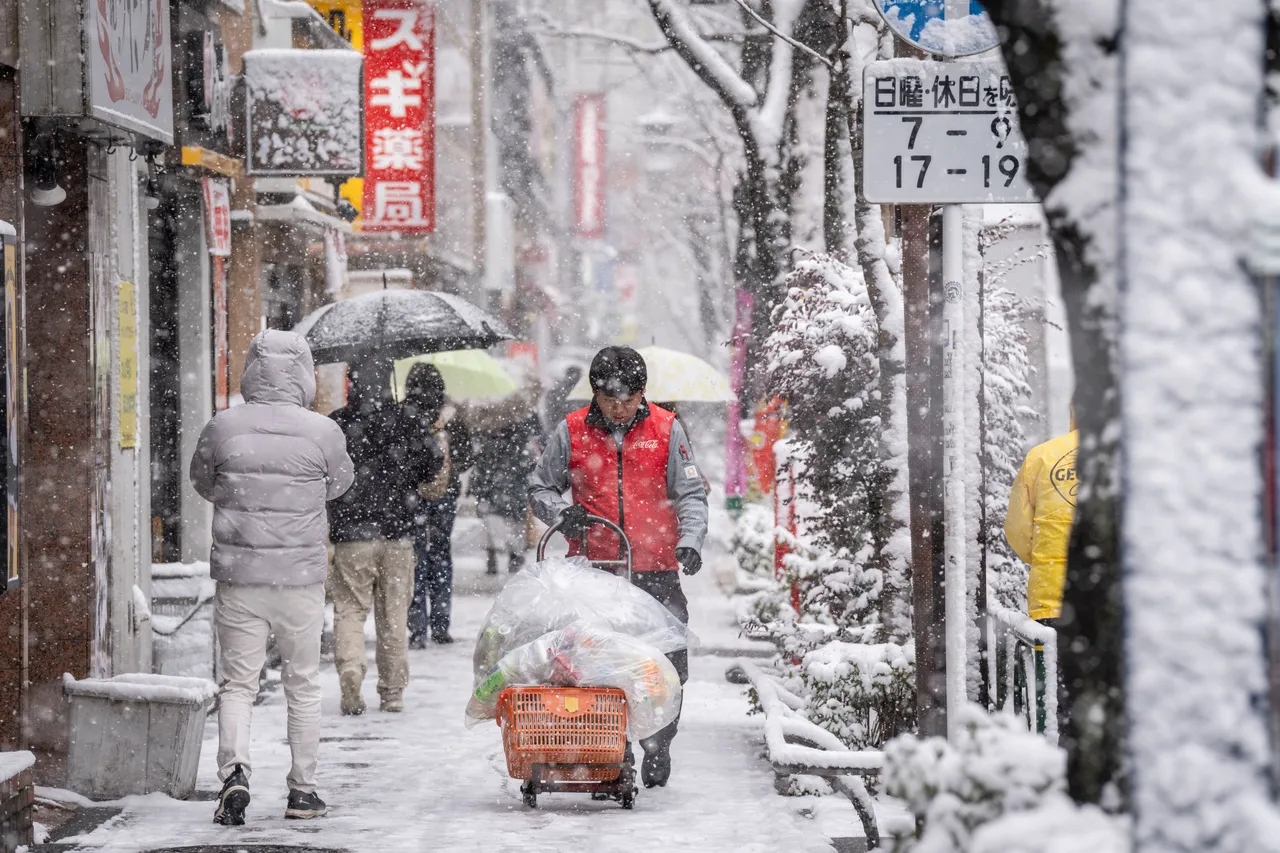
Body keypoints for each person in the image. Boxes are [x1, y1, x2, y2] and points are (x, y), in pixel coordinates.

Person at [190, 330, 354, 826]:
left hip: (240, 578)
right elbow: (340, 484)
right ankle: (302, 791)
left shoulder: (223, 425)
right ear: (304, 373)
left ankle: (234, 772)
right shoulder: (323, 430)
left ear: (250, 370)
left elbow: (203, 481)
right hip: (300, 580)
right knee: (302, 684)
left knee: (238, 684)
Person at [529, 345, 709, 789]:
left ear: (642, 393)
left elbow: (690, 494)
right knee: (599, 667)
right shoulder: (571, 431)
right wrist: (562, 513)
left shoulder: (667, 429)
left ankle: (659, 742)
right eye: (610, 399)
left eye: (629, 399)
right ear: (595, 393)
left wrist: (689, 541)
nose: (620, 408)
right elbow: (540, 488)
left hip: (656, 569)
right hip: (597, 572)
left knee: (667, 666)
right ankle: (612, 752)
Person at [328, 362, 442, 715]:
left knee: (349, 609)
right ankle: (392, 692)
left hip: (351, 533)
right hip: (398, 532)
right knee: (393, 618)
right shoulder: (408, 419)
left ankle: (350, 668)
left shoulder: (336, 424)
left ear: (351, 383)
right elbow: (432, 464)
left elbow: (322, 473)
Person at [402, 363, 473, 647]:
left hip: (412, 495)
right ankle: (441, 626)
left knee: (415, 558)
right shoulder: (451, 415)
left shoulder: (404, 414)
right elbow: (467, 457)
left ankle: (417, 629)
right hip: (445, 494)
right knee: (441, 554)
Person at [1004, 415, 1079, 622]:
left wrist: (1044, 559)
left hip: (1051, 598)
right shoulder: (1139, 459)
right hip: (1123, 600)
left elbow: (1017, 529)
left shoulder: (1041, 456)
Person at [470, 400, 541, 575]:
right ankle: (514, 555)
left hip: (495, 485)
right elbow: (531, 463)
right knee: (513, 522)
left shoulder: (487, 428)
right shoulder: (522, 429)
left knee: (492, 521)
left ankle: (494, 554)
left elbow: (480, 465)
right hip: (514, 485)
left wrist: (478, 487)